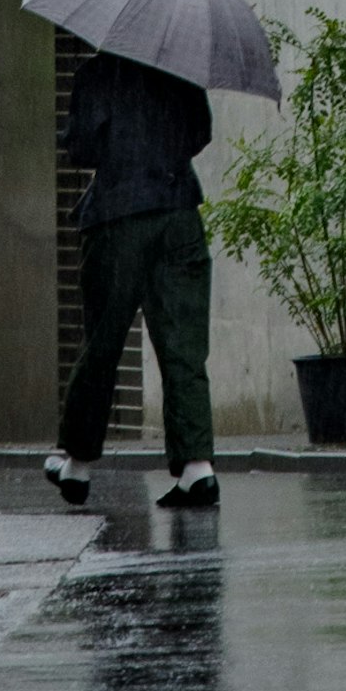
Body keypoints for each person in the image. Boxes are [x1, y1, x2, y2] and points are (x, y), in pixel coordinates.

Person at [38, 41, 218, 510]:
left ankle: (76, 462)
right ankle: (197, 468)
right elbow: (200, 133)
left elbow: (80, 147)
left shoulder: (97, 73)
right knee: (183, 344)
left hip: (118, 215)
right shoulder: (181, 66)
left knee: (103, 341)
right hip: (179, 212)